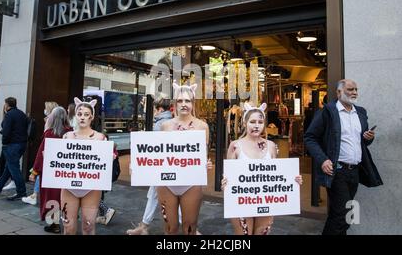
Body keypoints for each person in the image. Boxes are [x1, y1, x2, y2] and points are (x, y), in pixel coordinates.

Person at [304, 79, 383, 235]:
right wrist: (323, 159)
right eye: (350, 89)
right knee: (343, 214)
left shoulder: (361, 112)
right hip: (336, 170)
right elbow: (310, 137)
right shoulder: (327, 112)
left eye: (356, 89)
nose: (354, 92)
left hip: (355, 171)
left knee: (347, 213)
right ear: (339, 92)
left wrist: (368, 138)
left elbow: (362, 143)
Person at [222, 102, 303, 235]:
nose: (256, 125)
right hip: (242, 201)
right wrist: (225, 183)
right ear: (244, 123)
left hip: (265, 201)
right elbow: (228, 175)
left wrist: (293, 180)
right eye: (252, 121)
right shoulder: (235, 145)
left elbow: (276, 175)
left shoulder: (271, 146)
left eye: (260, 122)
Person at [156, 83, 210, 235]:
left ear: (193, 103)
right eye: (180, 101)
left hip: (191, 183)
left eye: (188, 101)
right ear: (175, 104)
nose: (184, 104)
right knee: (170, 228)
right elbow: (158, 153)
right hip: (167, 183)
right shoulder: (165, 126)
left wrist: (206, 163)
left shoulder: (202, 126)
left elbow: (202, 155)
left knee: (190, 227)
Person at [126, 98, 173, 235]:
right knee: (155, 194)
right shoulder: (169, 121)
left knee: (167, 196)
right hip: (168, 165)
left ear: (159, 109)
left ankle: (144, 226)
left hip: (161, 166)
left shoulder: (160, 123)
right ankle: (144, 225)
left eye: (153, 109)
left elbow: (156, 146)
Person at [60, 97, 107, 235]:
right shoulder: (67, 136)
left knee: (88, 226)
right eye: (79, 114)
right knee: (68, 226)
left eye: (86, 115)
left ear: (91, 117)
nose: (82, 118)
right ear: (75, 115)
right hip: (69, 186)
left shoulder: (100, 138)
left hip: (91, 187)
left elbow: (105, 161)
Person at [29, 107, 72, 233]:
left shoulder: (50, 133)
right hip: (66, 173)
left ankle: (54, 224)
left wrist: (35, 171)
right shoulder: (71, 133)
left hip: (51, 173)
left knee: (51, 198)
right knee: (64, 198)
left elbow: (41, 154)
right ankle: (67, 222)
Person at [0, 97, 28, 200]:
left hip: (12, 145)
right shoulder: (22, 114)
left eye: (5, 104)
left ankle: (21, 192)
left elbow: (6, 131)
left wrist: (5, 143)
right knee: (9, 168)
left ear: (7, 104)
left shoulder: (9, 115)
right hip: (22, 144)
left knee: (14, 168)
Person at [23, 101, 59, 206]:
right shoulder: (53, 121)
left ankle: (35, 196)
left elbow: (46, 136)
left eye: (45, 108)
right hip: (51, 152)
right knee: (41, 174)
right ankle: (35, 195)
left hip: (48, 152)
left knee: (41, 172)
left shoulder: (50, 122)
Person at [95, 133, 117, 226]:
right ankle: (102, 216)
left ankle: (106, 210)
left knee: (93, 196)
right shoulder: (110, 150)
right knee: (97, 195)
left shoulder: (103, 148)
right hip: (102, 175)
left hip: (98, 175)